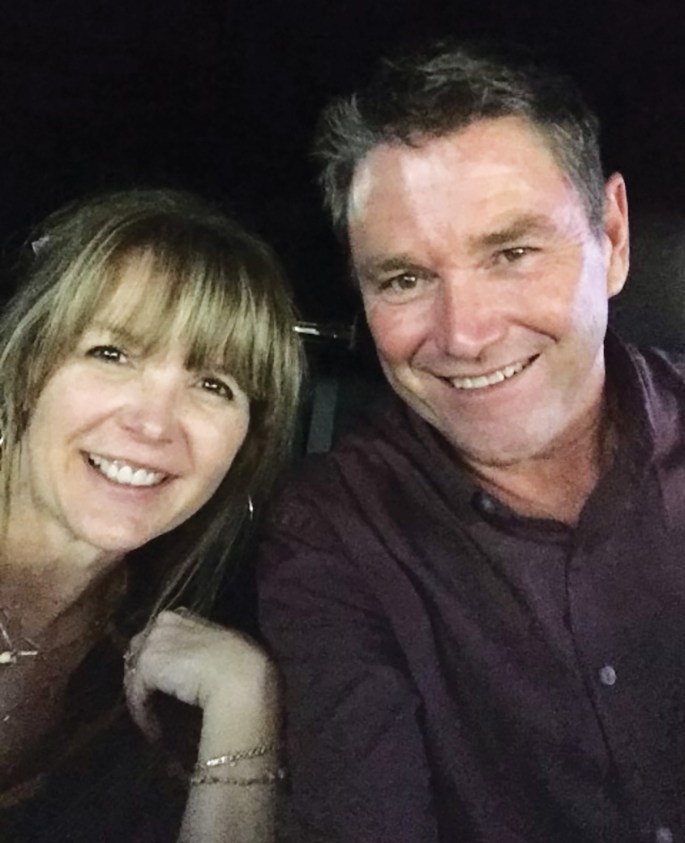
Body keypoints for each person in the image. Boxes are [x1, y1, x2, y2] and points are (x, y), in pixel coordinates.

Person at [257, 41, 685, 842]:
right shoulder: (336, 533)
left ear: (613, 236)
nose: (463, 334)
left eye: (512, 252)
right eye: (404, 279)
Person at [0, 188, 302, 841]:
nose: (154, 423)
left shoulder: (178, 674)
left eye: (213, 385)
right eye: (112, 354)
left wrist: (242, 710)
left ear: (243, 448)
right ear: (27, 370)